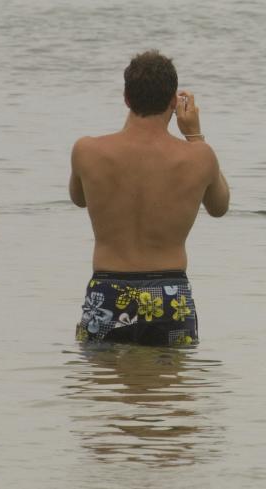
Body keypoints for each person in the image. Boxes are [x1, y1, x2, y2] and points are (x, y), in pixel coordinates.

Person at [70, 50, 229, 346]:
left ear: (126, 98)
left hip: (108, 288)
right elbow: (220, 207)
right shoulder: (199, 156)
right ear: (173, 102)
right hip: (170, 292)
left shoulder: (87, 150)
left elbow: (79, 199)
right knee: (168, 389)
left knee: (103, 388)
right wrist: (194, 136)